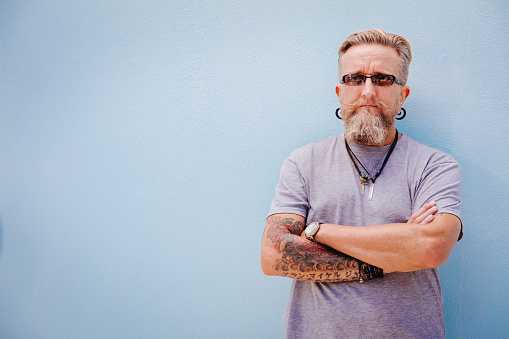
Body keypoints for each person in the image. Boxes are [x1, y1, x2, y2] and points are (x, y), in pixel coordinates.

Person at [260, 29, 462, 338]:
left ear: (402, 94)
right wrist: (394, 251)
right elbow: (275, 256)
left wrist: (317, 231)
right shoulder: (303, 162)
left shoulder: (434, 165)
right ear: (339, 91)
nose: (368, 91)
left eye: (383, 79)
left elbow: (430, 247)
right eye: (355, 79)